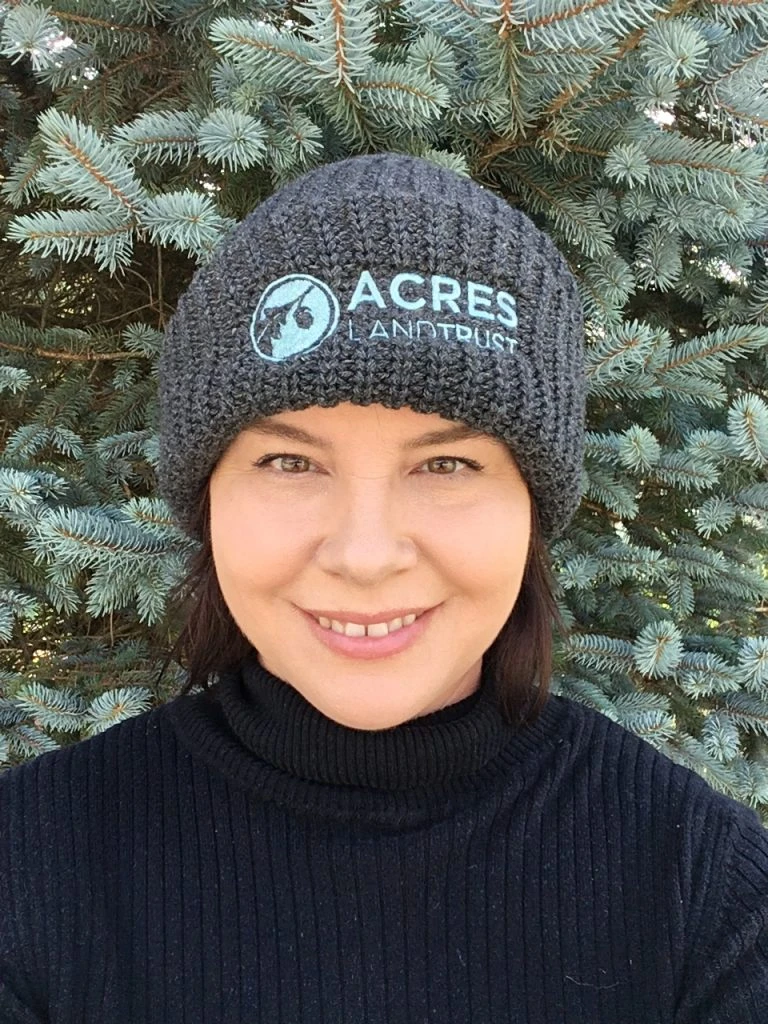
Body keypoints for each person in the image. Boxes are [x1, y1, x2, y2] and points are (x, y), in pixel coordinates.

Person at [1, 153, 767, 1023]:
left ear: (533, 504)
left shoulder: (705, 892)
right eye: (289, 462)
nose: (365, 556)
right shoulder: (28, 869)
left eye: (447, 464)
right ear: (205, 497)